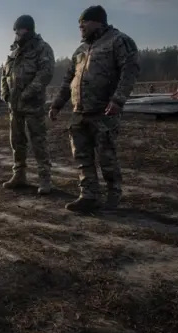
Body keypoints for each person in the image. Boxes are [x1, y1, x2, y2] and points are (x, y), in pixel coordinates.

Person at [49, 5, 140, 212]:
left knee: (106, 156)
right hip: (79, 112)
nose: (80, 25)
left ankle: (113, 194)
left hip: (103, 111)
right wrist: (56, 104)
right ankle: (88, 194)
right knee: (81, 157)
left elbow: (130, 70)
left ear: (98, 21)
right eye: (79, 22)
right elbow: (67, 81)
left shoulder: (118, 41)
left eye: (85, 21)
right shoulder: (80, 51)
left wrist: (118, 100)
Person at [0, 15, 55, 194]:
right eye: (15, 30)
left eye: (19, 29)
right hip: (14, 107)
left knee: (38, 141)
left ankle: (45, 179)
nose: (16, 32)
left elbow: (45, 74)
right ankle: (19, 175)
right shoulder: (14, 51)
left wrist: (27, 94)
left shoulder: (42, 48)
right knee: (17, 141)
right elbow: (4, 73)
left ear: (28, 29)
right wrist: (5, 93)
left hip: (33, 105)